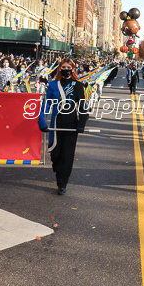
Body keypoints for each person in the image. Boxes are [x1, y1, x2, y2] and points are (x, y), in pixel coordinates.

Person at [38, 58, 89, 195]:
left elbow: (82, 107)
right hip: (56, 123)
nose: (66, 69)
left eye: (69, 67)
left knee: (67, 155)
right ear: (60, 69)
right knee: (55, 154)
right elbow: (46, 105)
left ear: (73, 69)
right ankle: (58, 169)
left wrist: (81, 124)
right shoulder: (53, 85)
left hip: (71, 124)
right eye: (64, 67)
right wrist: (42, 122)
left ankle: (62, 183)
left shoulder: (78, 85)